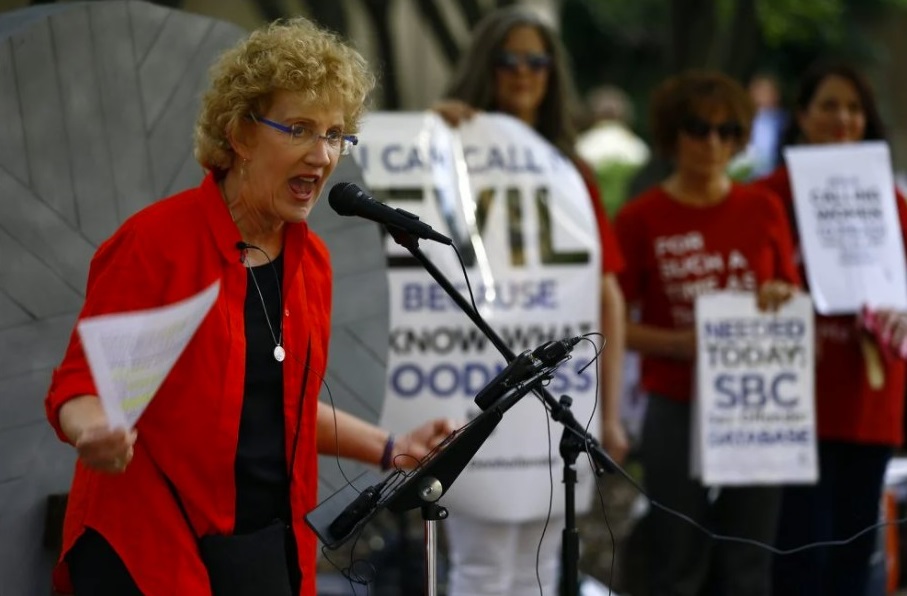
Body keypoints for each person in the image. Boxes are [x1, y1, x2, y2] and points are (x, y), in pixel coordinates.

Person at [44, 17, 455, 596]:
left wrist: (392, 448)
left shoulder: (311, 263)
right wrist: (94, 432)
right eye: (299, 129)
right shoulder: (155, 244)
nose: (322, 154)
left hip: (263, 549)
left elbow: (280, 409)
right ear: (239, 134)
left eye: (336, 134)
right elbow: (77, 389)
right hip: (148, 548)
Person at [431, 6, 628, 595]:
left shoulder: (573, 173)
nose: (523, 73)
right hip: (471, 390)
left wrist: (611, 414)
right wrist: (432, 132)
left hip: (553, 400)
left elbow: (607, 295)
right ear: (484, 68)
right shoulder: (444, 147)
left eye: (536, 61)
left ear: (553, 73)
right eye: (508, 60)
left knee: (542, 570)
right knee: (481, 568)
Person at [614, 69, 801, 596]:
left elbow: (789, 294)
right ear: (673, 135)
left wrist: (780, 299)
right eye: (699, 128)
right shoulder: (640, 217)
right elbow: (611, 323)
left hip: (757, 403)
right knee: (677, 557)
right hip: (675, 402)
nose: (714, 143)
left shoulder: (763, 209)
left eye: (728, 130)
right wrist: (677, 345)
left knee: (751, 557)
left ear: (743, 136)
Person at [750, 61, 907, 596]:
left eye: (855, 107)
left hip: (870, 394)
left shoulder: (891, 201)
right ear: (802, 116)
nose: (843, 118)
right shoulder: (767, 197)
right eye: (829, 105)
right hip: (795, 400)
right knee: (799, 550)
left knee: (853, 555)